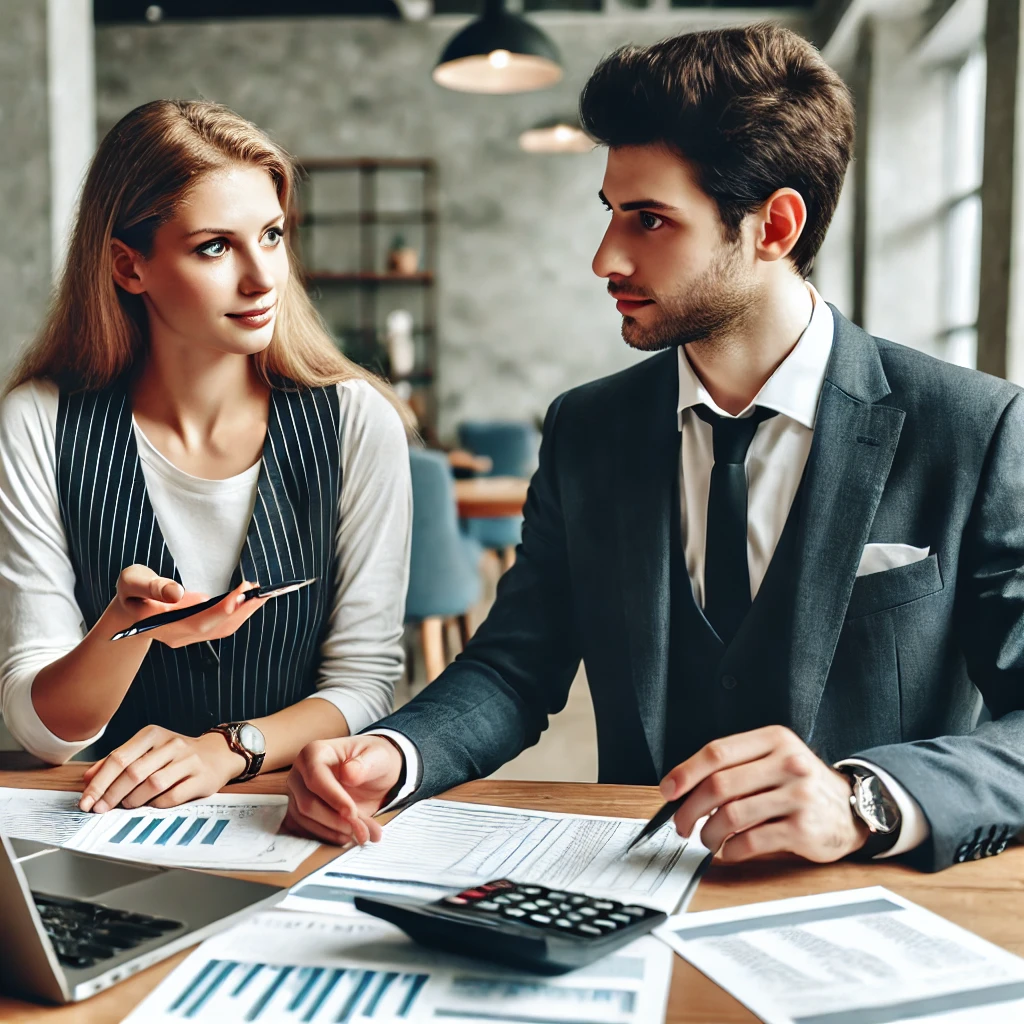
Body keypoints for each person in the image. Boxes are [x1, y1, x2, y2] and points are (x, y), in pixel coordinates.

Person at [284, 24, 1024, 873]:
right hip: (628, 905)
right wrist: (399, 752)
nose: (606, 256)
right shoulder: (585, 430)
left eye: (650, 220)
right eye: (611, 212)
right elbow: (516, 665)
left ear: (775, 225)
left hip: (873, 914)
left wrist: (865, 800)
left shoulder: (973, 428)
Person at [0, 100, 412, 814]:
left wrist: (224, 750)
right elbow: (42, 732)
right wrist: (125, 630)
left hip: (289, 810)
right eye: (215, 247)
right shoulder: (38, 420)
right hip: (96, 813)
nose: (262, 279)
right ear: (130, 267)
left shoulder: (357, 422)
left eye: (273, 235)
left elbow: (365, 682)